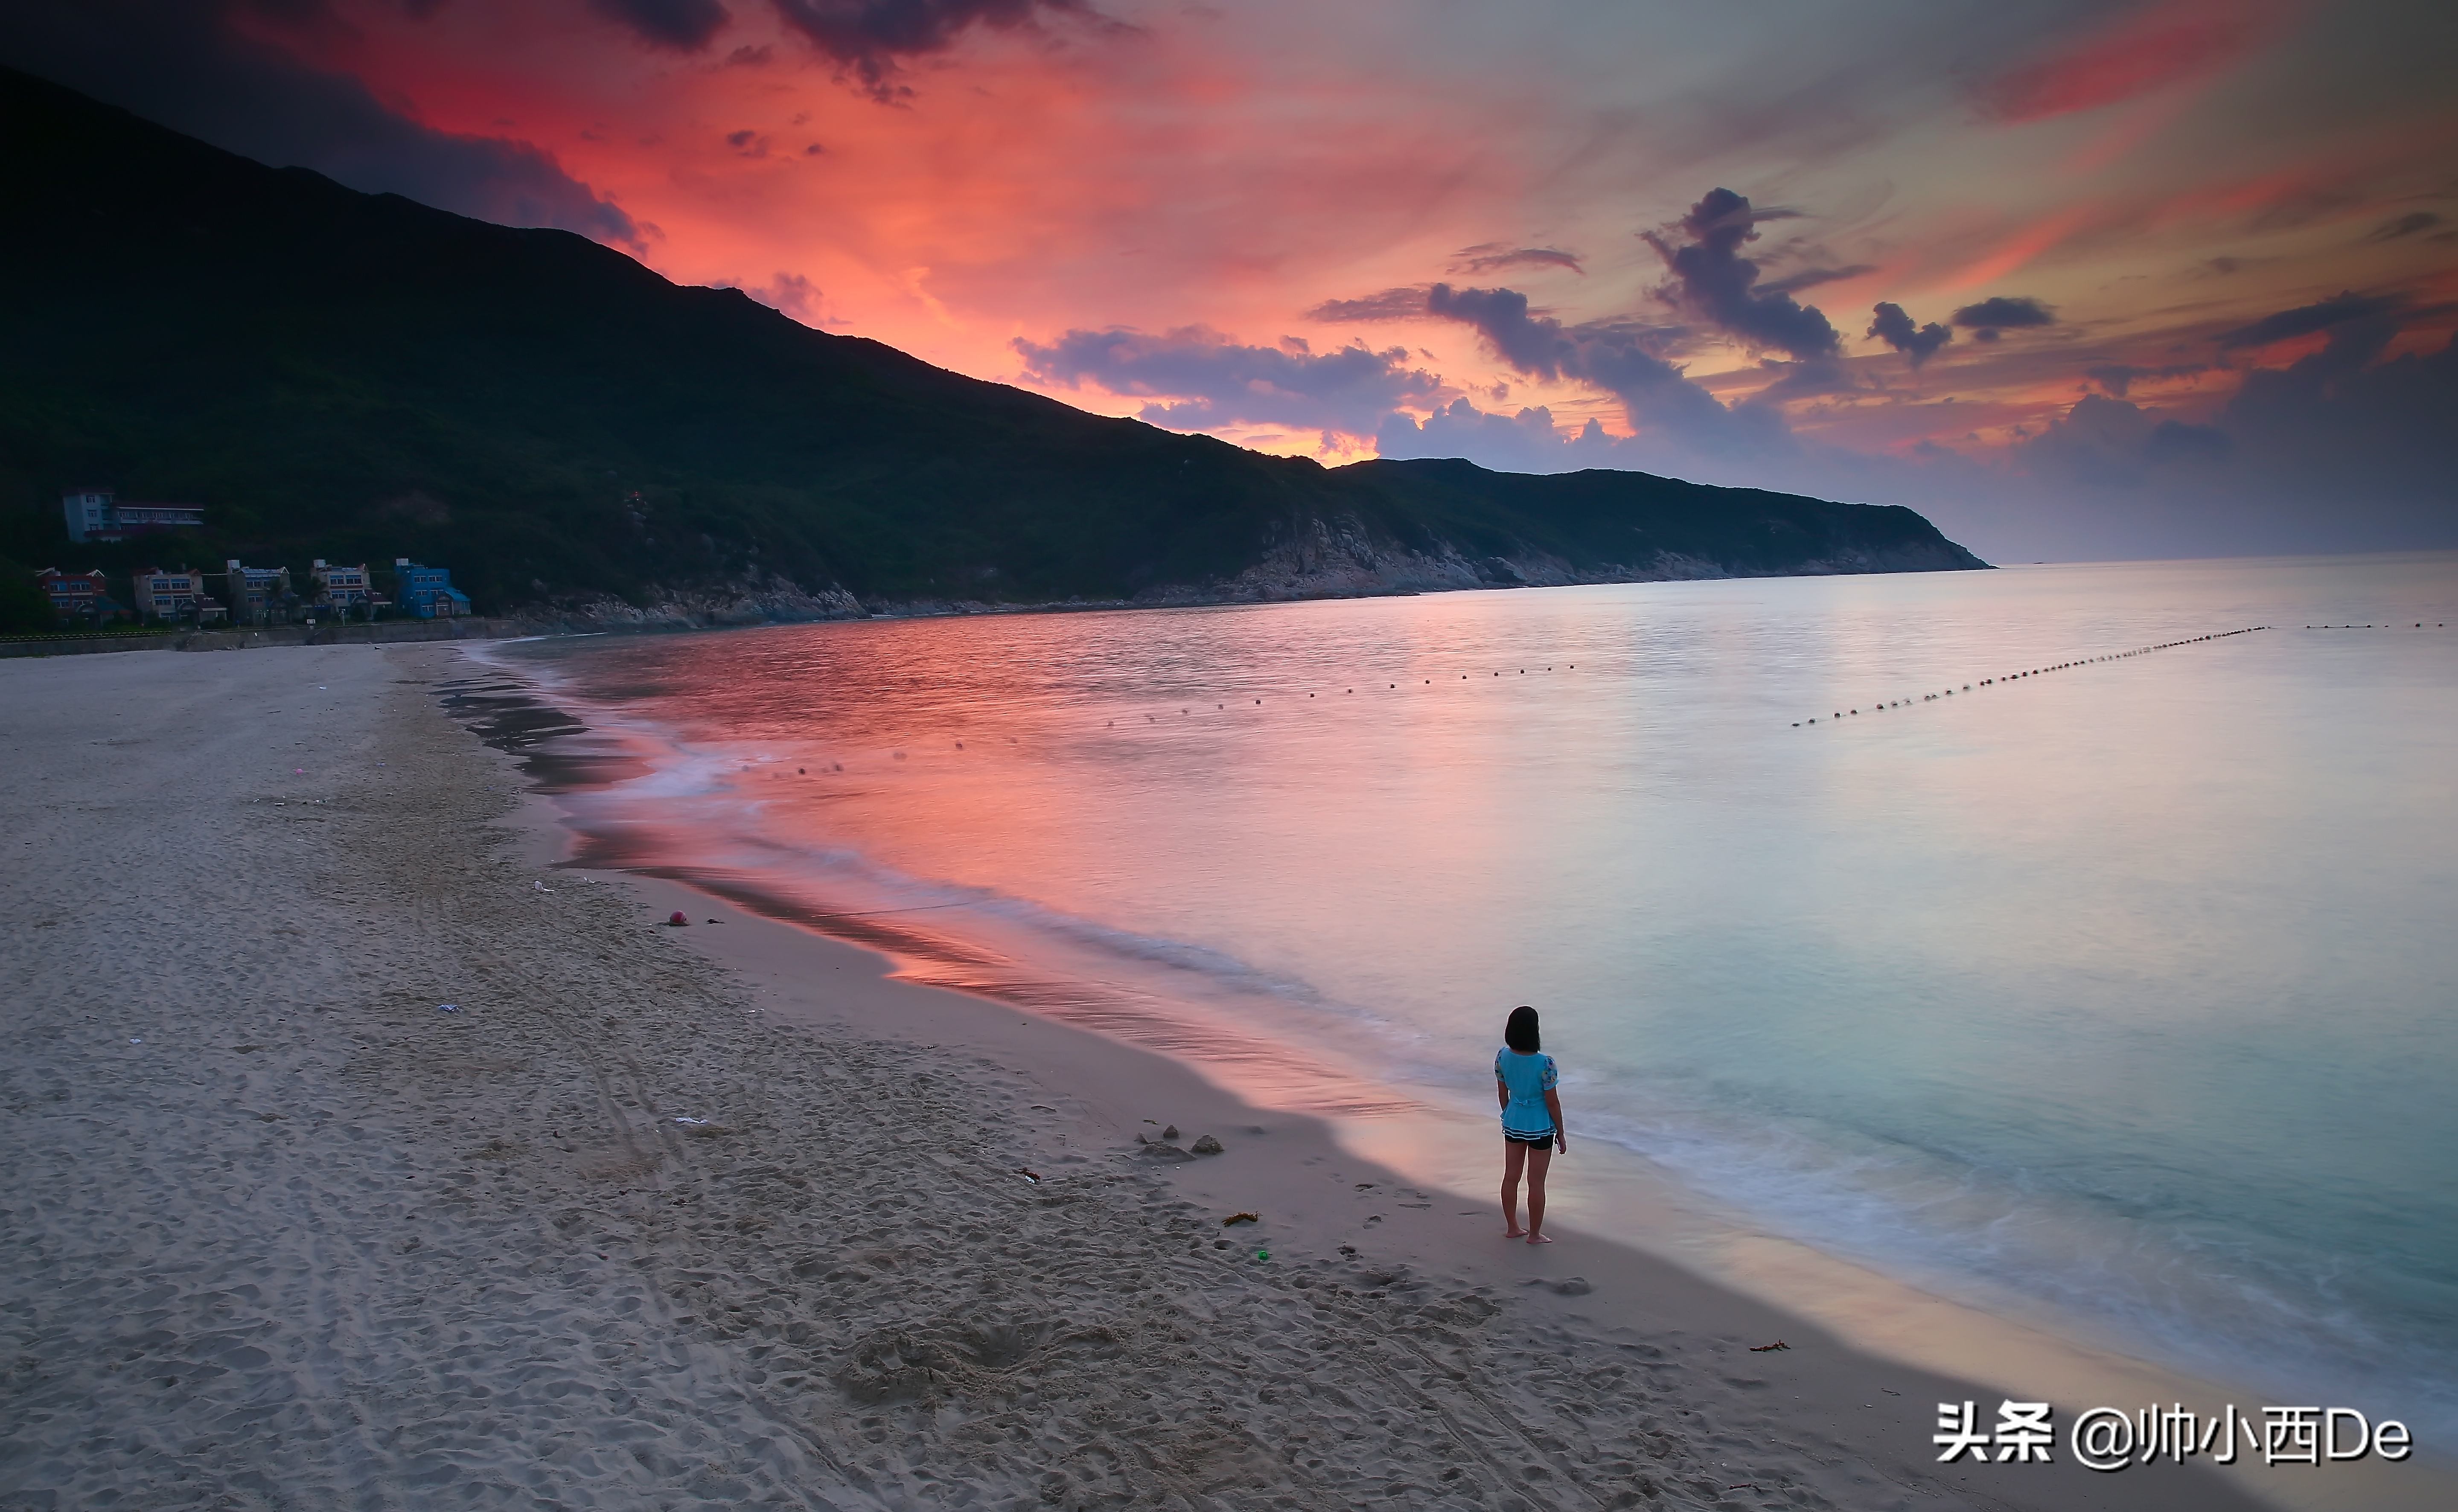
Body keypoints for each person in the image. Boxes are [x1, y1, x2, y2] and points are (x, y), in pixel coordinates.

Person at [1495, 1005, 1565, 1244]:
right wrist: (1562, 1133)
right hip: (1540, 1127)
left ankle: (1513, 1227)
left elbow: (1502, 1094)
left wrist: (1509, 1114)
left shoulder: (1502, 1056)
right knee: (1536, 1183)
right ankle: (1534, 1234)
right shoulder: (1545, 1064)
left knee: (1511, 1176)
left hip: (1514, 1122)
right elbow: (1553, 1103)